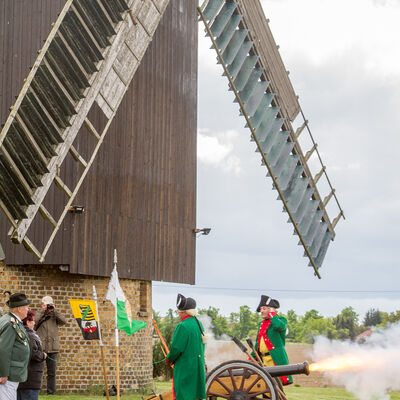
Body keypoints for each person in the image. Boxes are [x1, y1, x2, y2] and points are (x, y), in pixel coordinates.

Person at [166, 294, 206, 400]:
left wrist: (169, 359)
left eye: (179, 311)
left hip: (185, 367)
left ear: (184, 312)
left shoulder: (182, 326)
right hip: (198, 366)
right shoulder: (199, 324)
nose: (178, 313)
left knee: (183, 395)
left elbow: (176, 349)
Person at [253, 295, 293, 386]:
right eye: (261, 309)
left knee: (274, 387)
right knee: (265, 387)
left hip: (274, 359)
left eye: (264, 308)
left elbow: (279, 326)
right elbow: (257, 344)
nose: (261, 311)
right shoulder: (261, 324)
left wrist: (272, 314)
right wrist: (251, 358)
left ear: (271, 309)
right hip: (263, 360)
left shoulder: (281, 320)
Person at [0, 293, 31, 400]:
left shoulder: (13, 321)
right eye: (26, 307)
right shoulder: (10, 323)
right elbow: (4, 349)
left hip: (12, 373)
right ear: (19, 308)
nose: (28, 309)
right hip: (8, 375)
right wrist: (3, 373)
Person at [34, 296, 66, 395]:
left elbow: (63, 321)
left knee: (52, 373)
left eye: (49, 304)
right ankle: (36, 391)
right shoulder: (38, 314)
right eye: (46, 304)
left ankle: (51, 392)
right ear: (42, 304)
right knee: (38, 371)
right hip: (41, 348)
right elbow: (34, 322)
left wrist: (54, 311)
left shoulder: (54, 315)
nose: (48, 306)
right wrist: (43, 311)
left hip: (53, 348)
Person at [17, 310, 46, 400]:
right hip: (30, 380)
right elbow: (32, 353)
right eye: (32, 320)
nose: (34, 323)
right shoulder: (29, 335)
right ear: (28, 322)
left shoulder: (20, 333)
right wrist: (42, 355)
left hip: (23, 379)